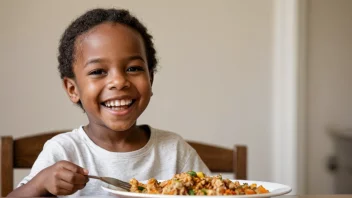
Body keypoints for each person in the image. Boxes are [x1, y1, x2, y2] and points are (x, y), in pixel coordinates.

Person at [7, 8, 210, 197]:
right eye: (98, 72)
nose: (119, 82)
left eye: (133, 68)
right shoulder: (64, 151)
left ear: (151, 78)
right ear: (73, 89)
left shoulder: (174, 151)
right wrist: (40, 184)